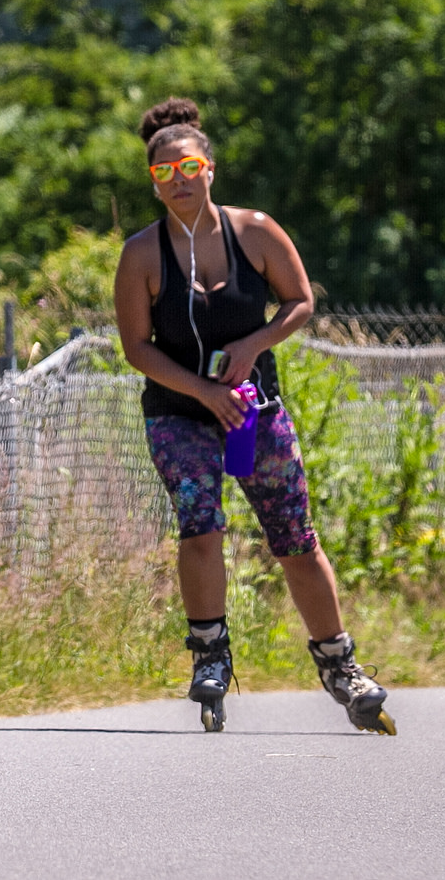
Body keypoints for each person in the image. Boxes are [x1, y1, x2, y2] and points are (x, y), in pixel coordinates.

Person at [112, 97, 394, 735]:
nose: (178, 182)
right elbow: (137, 348)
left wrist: (253, 345)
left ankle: (339, 665)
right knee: (200, 522)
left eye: (187, 168)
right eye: (163, 174)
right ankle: (210, 654)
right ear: (153, 183)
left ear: (209, 167)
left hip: (251, 412)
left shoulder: (256, 231)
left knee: (293, 536)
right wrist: (200, 391)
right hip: (178, 415)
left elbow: (299, 302)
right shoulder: (142, 254)